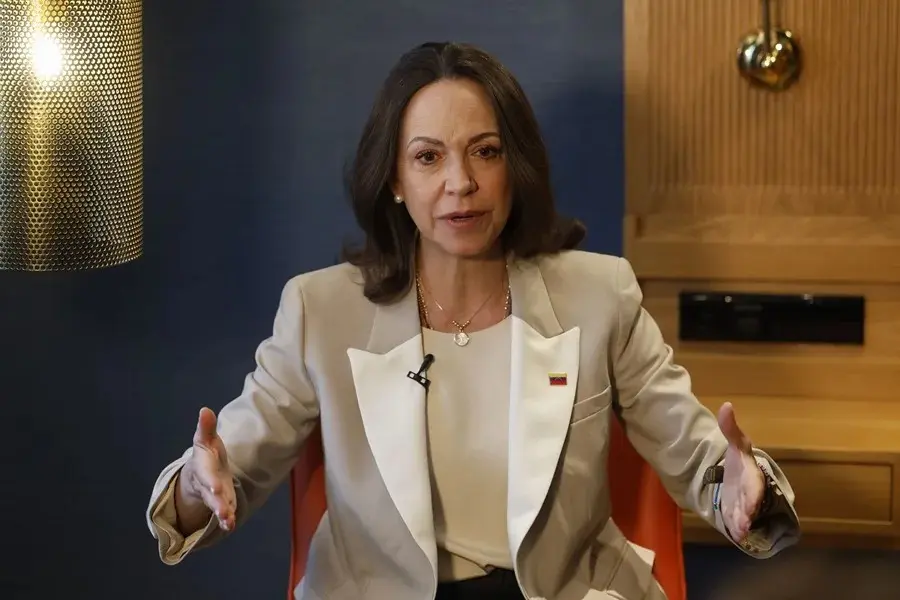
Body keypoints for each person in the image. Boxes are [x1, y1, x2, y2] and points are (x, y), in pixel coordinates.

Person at [146, 41, 800, 600]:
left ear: (515, 166)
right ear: (394, 179)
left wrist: (743, 490)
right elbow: (231, 466)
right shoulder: (320, 311)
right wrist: (199, 486)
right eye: (428, 157)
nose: (460, 182)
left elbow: (700, 457)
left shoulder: (600, 295)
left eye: (485, 152)